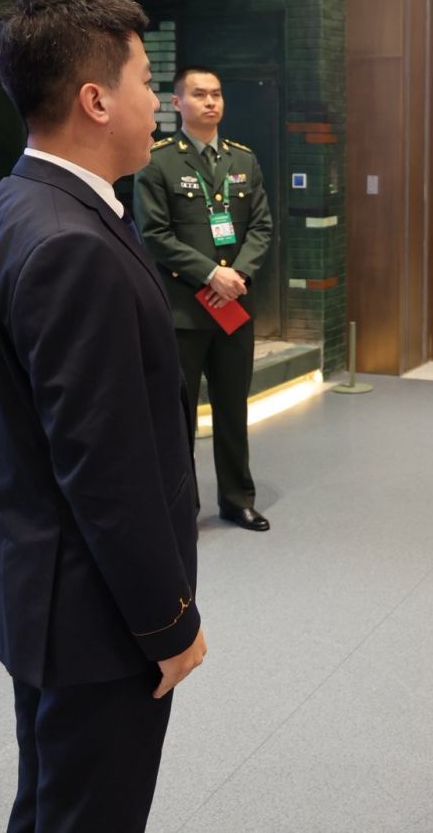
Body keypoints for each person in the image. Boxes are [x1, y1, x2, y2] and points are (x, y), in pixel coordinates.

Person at [0, 0, 207, 832]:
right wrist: (168, 622)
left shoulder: (9, 205)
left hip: (43, 595)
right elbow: (106, 469)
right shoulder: (72, 243)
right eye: (147, 82)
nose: (158, 104)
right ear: (96, 100)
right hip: (97, 619)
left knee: (48, 806)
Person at [135, 66, 274, 532]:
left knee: (233, 410)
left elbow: (261, 226)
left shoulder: (243, 159)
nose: (210, 102)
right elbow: (154, 234)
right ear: (177, 103)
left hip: (235, 308)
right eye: (199, 94)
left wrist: (238, 274)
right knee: (179, 418)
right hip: (183, 311)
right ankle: (183, 507)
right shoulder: (157, 162)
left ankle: (237, 500)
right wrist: (212, 273)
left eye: (216, 94)